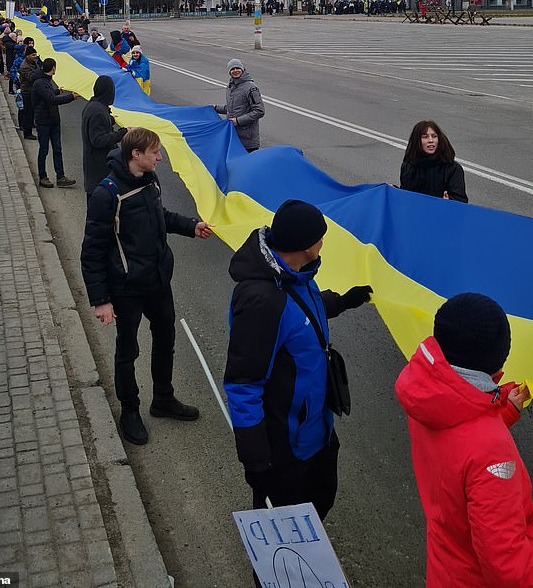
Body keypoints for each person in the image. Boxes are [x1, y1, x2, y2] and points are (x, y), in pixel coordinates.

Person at [224, 200, 372, 522]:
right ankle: (273, 574)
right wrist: (256, 461)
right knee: (283, 534)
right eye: (320, 237)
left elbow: (303, 311)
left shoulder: (296, 275)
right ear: (305, 246)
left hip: (316, 431)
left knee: (319, 503)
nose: (323, 242)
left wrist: (344, 301)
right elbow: (242, 385)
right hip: (285, 448)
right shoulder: (262, 302)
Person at [80, 128, 213, 446]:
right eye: (155, 151)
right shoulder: (107, 193)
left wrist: (190, 226)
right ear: (135, 155)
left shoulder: (151, 180)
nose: (160, 156)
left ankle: (163, 399)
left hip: (157, 279)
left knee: (166, 338)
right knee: (128, 350)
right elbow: (92, 251)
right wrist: (100, 299)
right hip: (126, 287)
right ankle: (130, 411)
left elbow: (160, 216)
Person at [395, 293, 533, 587]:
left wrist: (504, 409)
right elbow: (508, 569)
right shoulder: (493, 454)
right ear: (497, 370)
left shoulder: (425, 391)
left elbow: (458, 441)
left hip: (445, 567)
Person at [31, 58, 80, 188]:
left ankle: (61, 177)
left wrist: (57, 91)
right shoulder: (40, 83)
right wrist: (71, 97)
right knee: (44, 150)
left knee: (57, 149)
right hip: (43, 122)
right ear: (53, 68)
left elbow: (48, 94)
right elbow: (50, 99)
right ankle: (43, 177)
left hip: (53, 121)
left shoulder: (45, 81)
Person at [81, 75, 128, 198]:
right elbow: (98, 140)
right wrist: (122, 133)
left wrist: (110, 119)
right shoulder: (98, 111)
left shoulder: (93, 105)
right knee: (97, 206)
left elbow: (95, 125)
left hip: (94, 166)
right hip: (99, 168)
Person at [400, 120, 468, 202]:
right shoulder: (408, 166)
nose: (431, 140)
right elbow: (405, 196)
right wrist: (393, 190)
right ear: (417, 141)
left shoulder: (452, 168)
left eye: (434, 136)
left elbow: (461, 201)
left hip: (441, 213)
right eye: (425, 137)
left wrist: (449, 201)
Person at [213, 59, 265, 152]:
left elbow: (259, 111)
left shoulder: (251, 87)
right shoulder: (231, 86)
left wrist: (238, 121)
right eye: (232, 69)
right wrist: (216, 108)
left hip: (248, 140)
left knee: (247, 165)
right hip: (234, 136)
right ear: (229, 72)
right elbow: (232, 109)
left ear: (243, 69)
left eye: (238, 68)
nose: (235, 70)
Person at [19, 46, 42, 140]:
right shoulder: (24, 66)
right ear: (27, 56)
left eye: (35, 54)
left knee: (32, 111)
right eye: (33, 55)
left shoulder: (33, 63)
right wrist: (41, 73)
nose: (35, 56)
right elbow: (31, 78)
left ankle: (31, 125)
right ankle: (27, 133)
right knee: (28, 112)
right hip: (27, 91)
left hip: (33, 90)